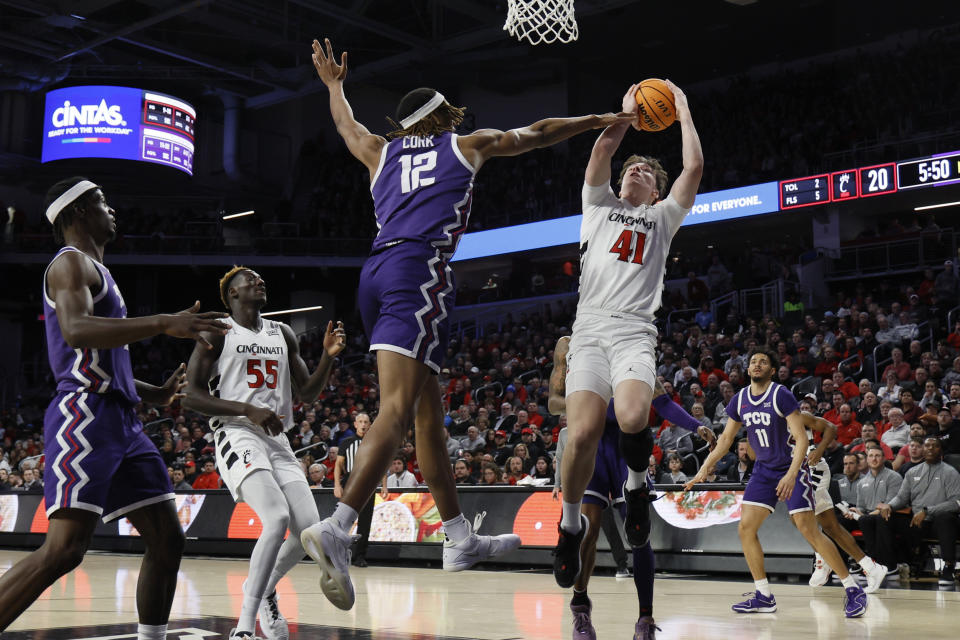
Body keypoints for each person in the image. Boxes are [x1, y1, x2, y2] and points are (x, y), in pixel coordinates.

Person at [300, 37, 629, 611]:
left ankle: (458, 539)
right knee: (398, 413)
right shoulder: (464, 143)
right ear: (440, 115)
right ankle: (339, 527)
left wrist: (333, 87)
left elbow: (346, 126)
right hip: (416, 271)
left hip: (375, 272)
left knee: (428, 415)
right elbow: (540, 131)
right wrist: (601, 119)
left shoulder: (379, 153)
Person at [0, 177, 231, 639]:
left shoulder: (99, 272)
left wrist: (154, 394)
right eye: (102, 201)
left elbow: (104, 362)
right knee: (65, 549)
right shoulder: (69, 264)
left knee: (167, 539)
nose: (112, 209)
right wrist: (166, 322)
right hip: (84, 416)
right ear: (78, 213)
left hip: (123, 419)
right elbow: (77, 332)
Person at [553, 79, 703, 594]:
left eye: (646, 171)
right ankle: (570, 527)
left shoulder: (661, 219)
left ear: (655, 191)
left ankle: (637, 489)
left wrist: (681, 111)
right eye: (632, 168)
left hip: (635, 330)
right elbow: (603, 147)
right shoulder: (596, 206)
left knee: (635, 415)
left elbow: (694, 169)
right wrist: (626, 112)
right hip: (590, 331)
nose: (636, 170)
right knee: (583, 435)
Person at [182, 266, 347, 640]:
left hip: (277, 438)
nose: (259, 282)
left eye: (260, 279)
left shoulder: (282, 332)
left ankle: (265, 588)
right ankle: (243, 627)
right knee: (275, 518)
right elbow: (191, 395)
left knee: (307, 531)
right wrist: (246, 409)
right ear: (233, 295)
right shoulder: (218, 330)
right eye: (249, 280)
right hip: (238, 433)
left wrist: (328, 357)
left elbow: (305, 393)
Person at [685, 349, 867, 618]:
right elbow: (725, 441)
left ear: (771, 370)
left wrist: (791, 475)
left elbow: (802, 438)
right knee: (746, 528)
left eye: (763, 362)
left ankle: (852, 589)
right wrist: (703, 469)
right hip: (763, 472)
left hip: (791, 465)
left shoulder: (780, 394)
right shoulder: (740, 399)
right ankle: (763, 595)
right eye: (753, 362)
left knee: (809, 530)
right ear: (747, 370)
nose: (757, 365)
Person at [548, 338, 657, 639]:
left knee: (639, 535)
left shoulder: (631, 338)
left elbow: (657, 396)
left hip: (624, 448)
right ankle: (580, 608)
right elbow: (553, 402)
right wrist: (589, 400)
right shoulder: (567, 344)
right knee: (588, 530)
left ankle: (645, 619)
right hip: (590, 448)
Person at [801, 412, 889, 592]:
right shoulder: (768, 424)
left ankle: (822, 559)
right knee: (831, 527)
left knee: (799, 517)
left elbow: (831, 428)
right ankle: (872, 567)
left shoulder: (797, 415)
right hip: (798, 472)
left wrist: (819, 449)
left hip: (813, 468)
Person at [873, 437, 960, 585]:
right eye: (927, 446)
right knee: (884, 518)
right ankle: (890, 566)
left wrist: (927, 511)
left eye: (935, 446)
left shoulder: (950, 472)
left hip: (937, 523)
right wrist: (890, 506)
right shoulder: (912, 472)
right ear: (923, 450)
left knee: (946, 518)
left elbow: (956, 502)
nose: (930, 449)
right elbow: (901, 497)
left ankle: (948, 567)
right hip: (916, 521)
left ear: (941, 451)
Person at [335, 414, 388, 570]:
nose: (363, 424)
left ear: (370, 425)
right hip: (350, 481)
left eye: (366, 422)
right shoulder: (346, 442)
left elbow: (382, 464)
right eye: (360, 422)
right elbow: (338, 464)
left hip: (369, 483)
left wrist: (384, 485)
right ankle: (339, 553)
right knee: (343, 520)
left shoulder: (376, 443)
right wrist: (337, 485)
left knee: (365, 522)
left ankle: (360, 556)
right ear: (355, 424)